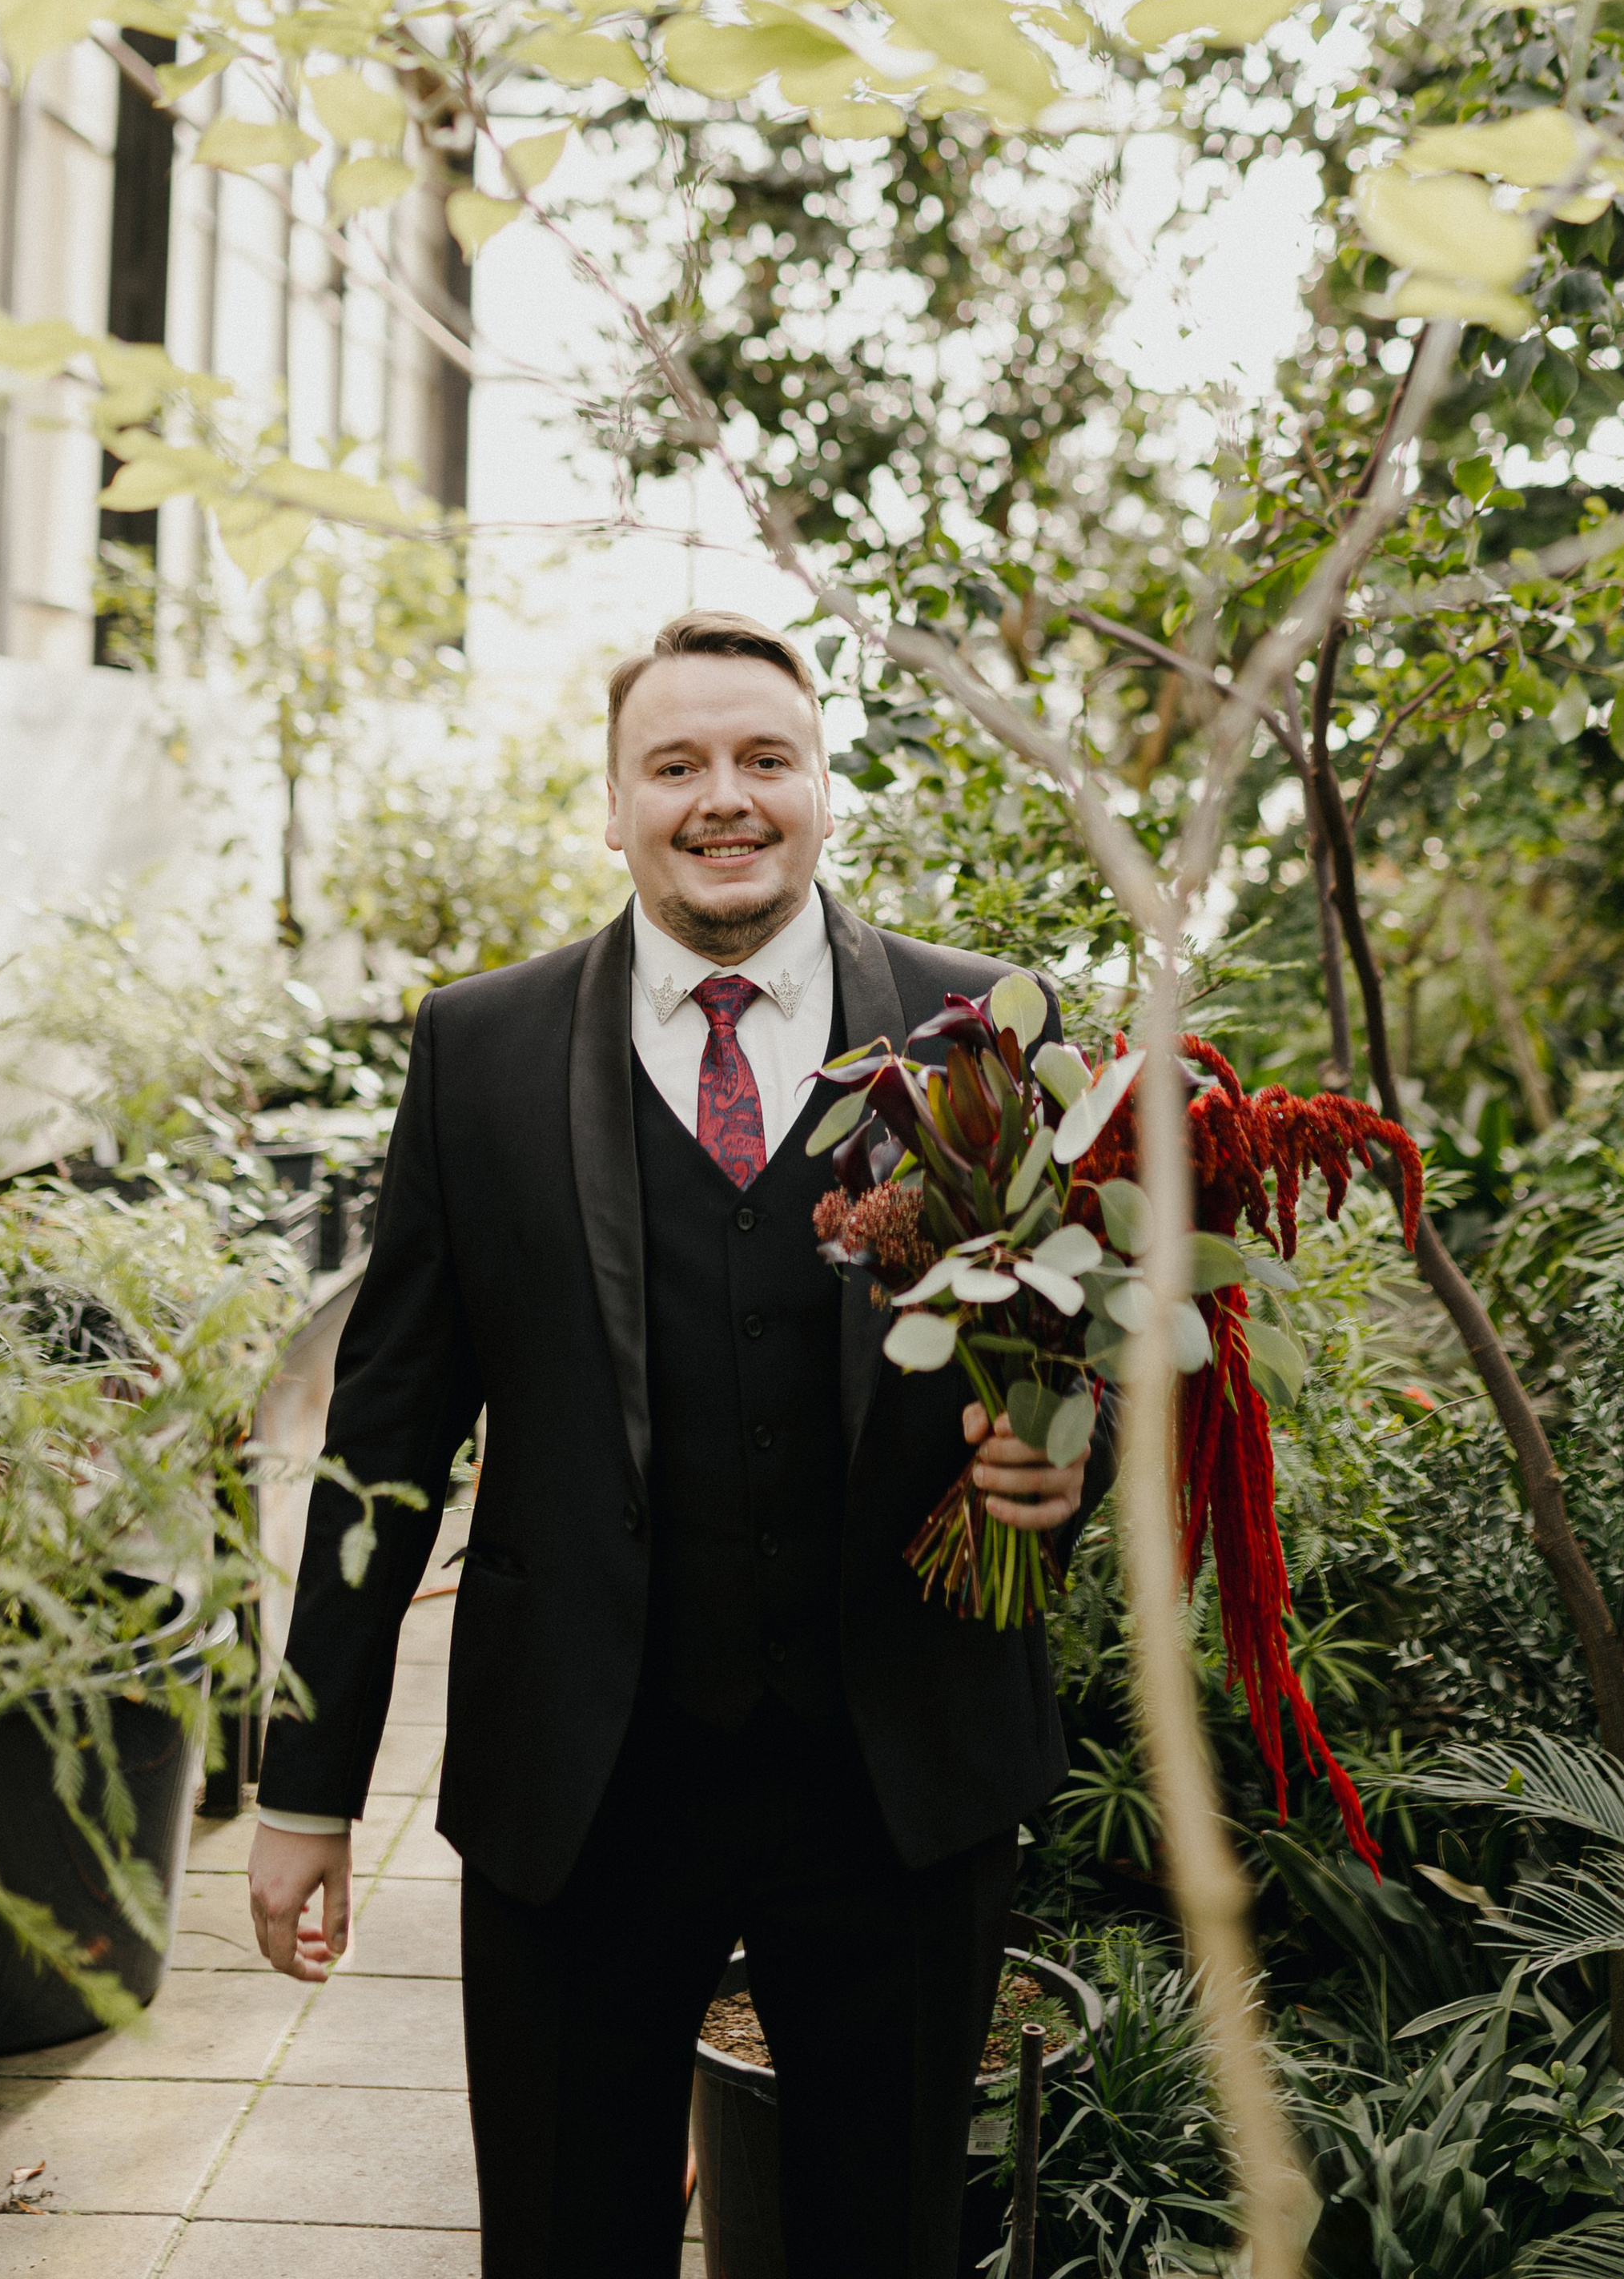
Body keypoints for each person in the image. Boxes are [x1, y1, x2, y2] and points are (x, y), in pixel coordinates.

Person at [247, 609, 1109, 2278]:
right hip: (580, 1785)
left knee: (883, 2247)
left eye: (763, 759)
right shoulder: (477, 1048)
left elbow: (1076, 1346)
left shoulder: (983, 1031)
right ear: (616, 802)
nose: (725, 797)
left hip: (896, 1774)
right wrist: (306, 1786)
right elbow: (385, 1443)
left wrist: (1059, 1474)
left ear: (823, 789)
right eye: (678, 764)